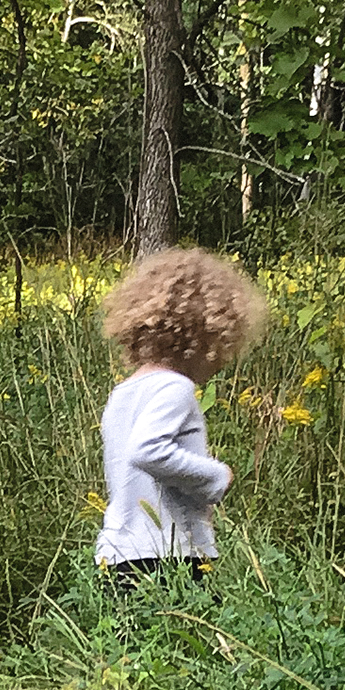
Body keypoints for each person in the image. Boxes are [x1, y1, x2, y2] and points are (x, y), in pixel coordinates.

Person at [95, 247, 267, 589]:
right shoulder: (175, 388)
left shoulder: (124, 392)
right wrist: (216, 476)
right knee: (187, 640)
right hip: (167, 556)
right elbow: (147, 451)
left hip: (117, 555)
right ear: (203, 336)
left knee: (130, 642)